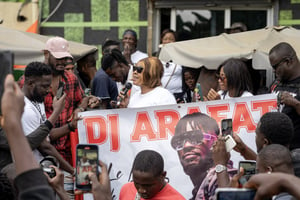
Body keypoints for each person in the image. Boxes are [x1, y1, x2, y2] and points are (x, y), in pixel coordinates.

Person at [21, 61, 74, 175]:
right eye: (44, 86)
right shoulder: (25, 109)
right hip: (32, 174)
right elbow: (44, 146)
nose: (48, 90)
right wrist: (72, 171)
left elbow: (46, 135)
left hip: (44, 171)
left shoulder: (37, 99)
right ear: (30, 83)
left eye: (49, 86)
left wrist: (71, 126)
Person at [171, 112, 236, 200]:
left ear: (216, 141)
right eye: (179, 141)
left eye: (196, 137)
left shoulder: (227, 180)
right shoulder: (199, 192)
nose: (187, 146)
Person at [269, 42, 300, 150]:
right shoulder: (276, 84)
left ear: (288, 61)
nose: (273, 70)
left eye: (275, 66)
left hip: (295, 152)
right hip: (274, 150)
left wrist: (296, 104)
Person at [119, 149, 185, 200]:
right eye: (136, 183)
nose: (141, 190)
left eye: (148, 185)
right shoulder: (126, 189)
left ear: (163, 176)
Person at [158, 29, 184, 101]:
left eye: (171, 39)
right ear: (161, 41)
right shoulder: (156, 56)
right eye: (165, 39)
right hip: (160, 95)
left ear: (175, 41)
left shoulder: (181, 56)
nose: (167, 42)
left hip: (178, 95)